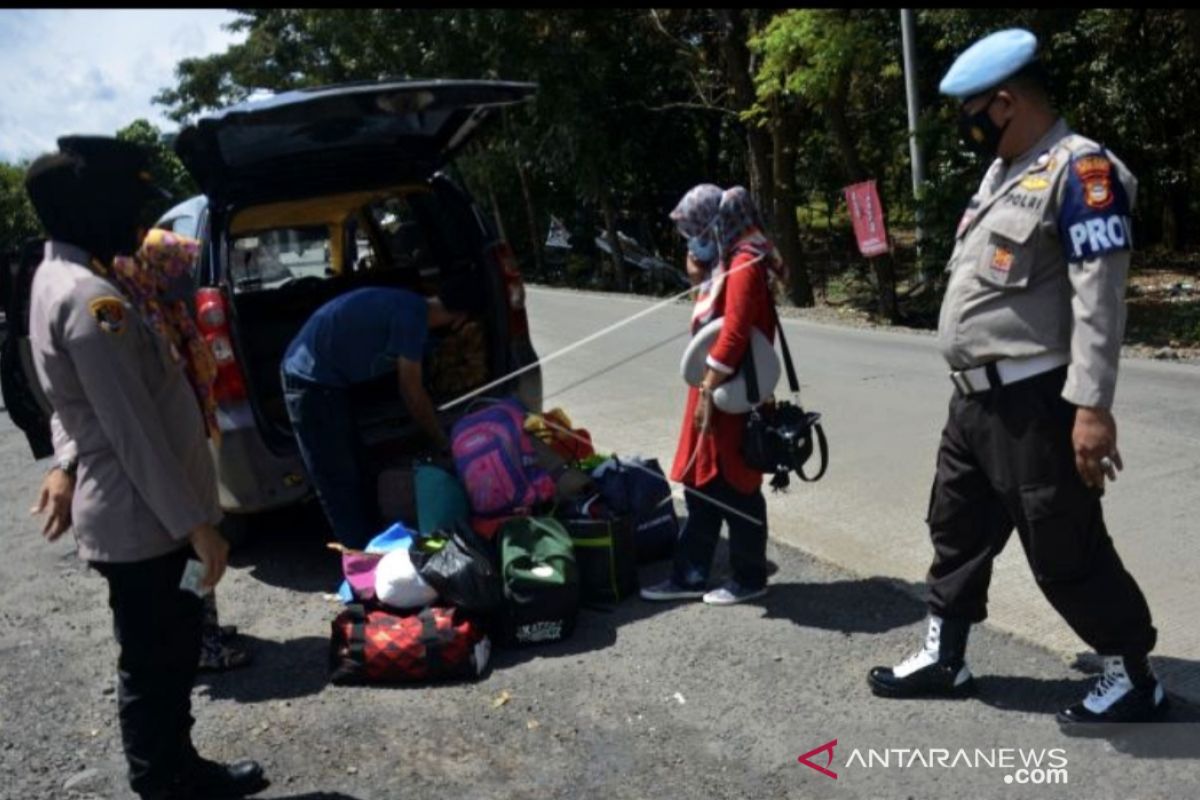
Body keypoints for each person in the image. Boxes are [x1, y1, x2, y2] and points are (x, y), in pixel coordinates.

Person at [866, 29, 1167, 729]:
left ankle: (1131, 674)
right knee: (956, 528)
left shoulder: (1080, 171)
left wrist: (1092, 406)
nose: (963, 127)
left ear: (1004, 103)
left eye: (969, 111)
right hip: (973, 401)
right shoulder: (1005, 171)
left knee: (1062, 542)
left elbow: (1101, 297)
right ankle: (947, 655)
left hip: (1036, 402)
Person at [25, 135, 266, 798]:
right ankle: (164, 782)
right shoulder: (88, 300)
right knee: (155, 660)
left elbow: (77, 410)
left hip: (150, 518)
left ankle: (177, 768)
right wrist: (198, 526)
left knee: (171, 649)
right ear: (91, 208)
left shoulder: (63, 278)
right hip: (148, 525)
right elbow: (132, 431)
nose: (140, 226)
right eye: (131, 208)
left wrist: (67, 461)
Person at [106, 228, 249, 672]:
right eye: (174, 268)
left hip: (189, 450)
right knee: (195, 555)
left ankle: (202, 626)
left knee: (202, 551)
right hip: (173, 462)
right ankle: (199, 639)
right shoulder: (139, 320)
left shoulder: (164, 310)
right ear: (152, 269)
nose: (183, 279)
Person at [641, 184, 787, 606]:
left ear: (715, 223)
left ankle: (749, 576)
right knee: (703, 485)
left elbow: (736, 331)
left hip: (729, 392)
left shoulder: (743, 261)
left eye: (694, 230)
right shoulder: (731, 260)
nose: (691, 239)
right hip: (722, 386)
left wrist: (707, 385)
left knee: (735, 484)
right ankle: (689, 575)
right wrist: (696, 276)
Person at [280, 284, 477, 549]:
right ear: (459, 319)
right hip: (308, 381)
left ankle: (375, 543)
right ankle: (361, 560)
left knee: (358, 468)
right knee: (338, 478)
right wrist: (440, 439)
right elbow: (411, 392)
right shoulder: (412, 320)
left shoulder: (410, 304)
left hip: (327, 379)